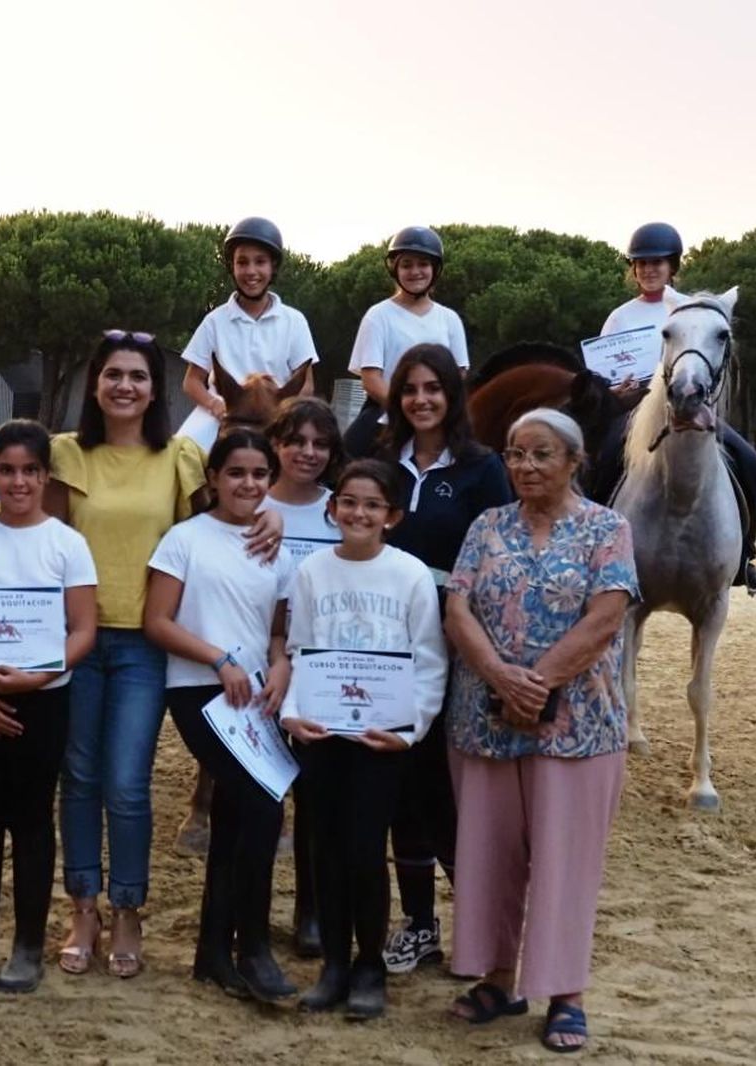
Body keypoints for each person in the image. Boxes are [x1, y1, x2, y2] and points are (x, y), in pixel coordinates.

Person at [45, 331, 284, 979]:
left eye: (139, 377)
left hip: (141, 646)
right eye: (114, 374)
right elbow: (40, 541)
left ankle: (128, 908)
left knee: (126, 784)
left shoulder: (178, 458)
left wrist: (276, 514)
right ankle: (83, 908)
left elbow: (224, 519)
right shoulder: (65, 455)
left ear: (156, 389)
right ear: (96, 383)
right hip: (77, 639)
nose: (125, 386)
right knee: (80, 780)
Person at [443, 408, 638, 1054]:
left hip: (579, 727)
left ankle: (565, 994)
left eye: (541, 454)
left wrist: (539, 681)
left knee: (563, 864)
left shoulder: (607, 529)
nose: (524, 465)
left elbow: (606, 617)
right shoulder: (486, 525)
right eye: (515, 453)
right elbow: (458, 605)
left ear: (574, 461)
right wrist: (501, 676)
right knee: (489, 857)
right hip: (484, 721)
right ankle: (499, 979)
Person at [0, 420, 99, 993]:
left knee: (31, 819)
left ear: (45, 475)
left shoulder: (66, 544)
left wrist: (38, 677)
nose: (19, 481)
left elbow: (82, 630)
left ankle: (27, 943)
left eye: (30, 470)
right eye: (7, 471)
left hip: (44, 703)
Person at [280, 459, 446, 1021]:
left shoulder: (411, 575)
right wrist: (293, 713)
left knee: (365, 850)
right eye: (348, 501)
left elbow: (429, 659)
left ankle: (370, 965)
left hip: (381, 737)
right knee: (325, 848)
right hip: (322, 733)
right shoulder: (312, 573)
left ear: (392, 516)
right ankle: (334, 963)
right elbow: (299, 648)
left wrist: (411, 729)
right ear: (332, 508)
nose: (358, 513)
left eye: (372, 505)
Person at [143, 428, 296, 1005]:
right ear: (213, 479)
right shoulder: (185, 540)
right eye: (236, 473)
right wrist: (219, 659)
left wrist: (278, 666)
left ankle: (213, 951)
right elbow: (157, 621)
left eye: (259, 475)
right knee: (262, 806)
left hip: (256, 698)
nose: (248, 484)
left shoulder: (270, 543)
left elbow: (276, 628)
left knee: (237, 815)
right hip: (201, 692)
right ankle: (253, 947)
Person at [375, 344, 512, 976]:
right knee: (406, 786)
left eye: (433, 388)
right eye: (410, 389)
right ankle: (421, 924)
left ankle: (479, 926)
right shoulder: (379, 463)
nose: (421, 400)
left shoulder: (483, 468)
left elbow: (498, 556)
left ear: (452, 397)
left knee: (451, 791)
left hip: (457, 643)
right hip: (387, 647)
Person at [601, 222, 756, 595]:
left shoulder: (690, 310)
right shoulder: (619, 317)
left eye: (657, 263)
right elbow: (601, 376)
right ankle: (591, 548)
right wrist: (617, 390)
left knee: (750, 463)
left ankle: (744, 558)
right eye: (641, 263)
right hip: (634, 412)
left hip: (694, 408)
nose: (649, 270)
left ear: (673, 267)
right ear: (633, 269)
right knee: (599, 461)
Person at [257, 397, 343, 960]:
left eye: (319, 444)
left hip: (322, 671)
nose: (308, 453)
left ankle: (311, 909)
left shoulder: (344, 507)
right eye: (296, 441)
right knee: (258, 795)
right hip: (256, 666)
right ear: (275, 445)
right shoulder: (249, 502)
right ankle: (251, 909)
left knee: (317, 797)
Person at [177, 217, 319, 451]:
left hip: (274, 415)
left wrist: (282, 411)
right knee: (182, 452)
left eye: (260, 262)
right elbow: (191, 381)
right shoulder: (215, 321)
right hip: (226, 413)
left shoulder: (294, 321)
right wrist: (214, 404)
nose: (251, 271)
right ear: (232, 267)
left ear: (272, 267)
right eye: (242, 262)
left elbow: (306, 385)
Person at [343, 226, 468, 459]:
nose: (415, 271)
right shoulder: (378, 315)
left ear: (435, 269)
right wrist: (408, 407)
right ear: (395, 269)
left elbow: (458, 374)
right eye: (407, 264)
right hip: (386, 411)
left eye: (423, 264)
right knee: (347, 456)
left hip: (438, 412)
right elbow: (371, 379)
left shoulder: (449, 319)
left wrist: (431, 407)